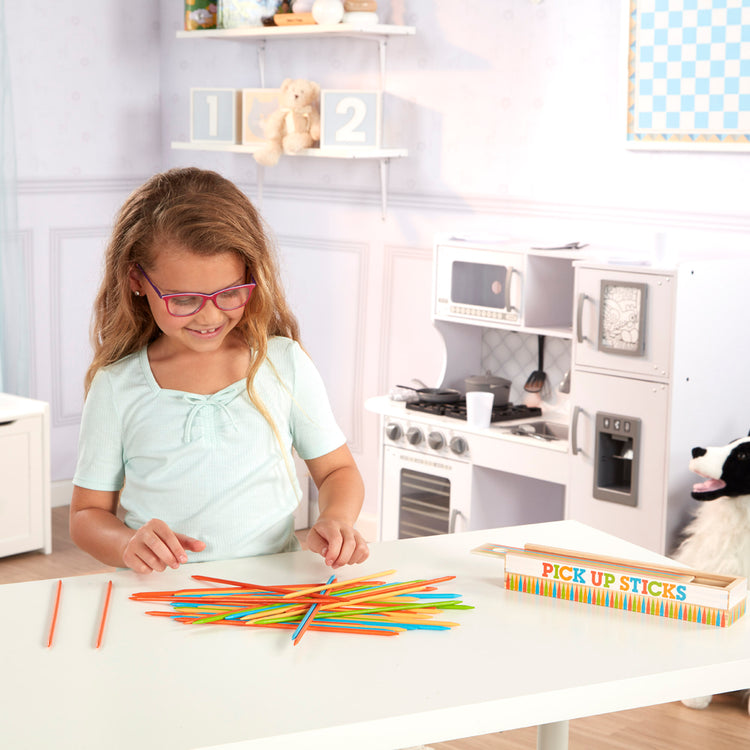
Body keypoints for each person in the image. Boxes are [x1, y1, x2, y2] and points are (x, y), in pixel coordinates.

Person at [70, 167, 369, 574]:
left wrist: (336, 518)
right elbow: (87, 515)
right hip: (162, 596)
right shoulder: (117, 386)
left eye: (230, 293)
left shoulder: (283, 363)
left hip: (270, 593)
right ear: (137, 280)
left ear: (251, 276)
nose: (210, 316)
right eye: (185, 300)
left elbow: (337, 470)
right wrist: (126, 543)